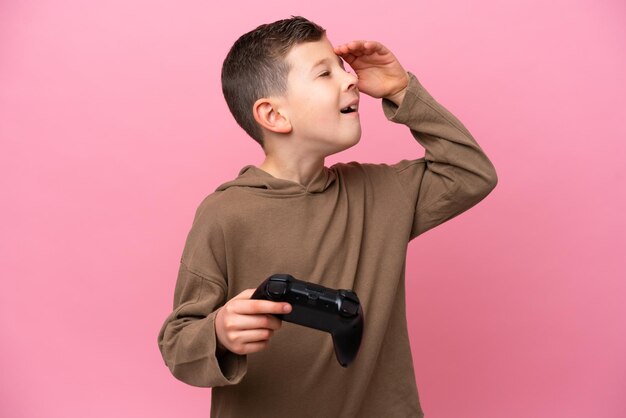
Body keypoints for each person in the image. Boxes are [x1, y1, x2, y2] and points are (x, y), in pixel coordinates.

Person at [157, 15, 497, 418]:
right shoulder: (225, 215)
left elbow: (471, 173)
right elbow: (177, 344)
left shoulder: (382, 192)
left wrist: (402, 90)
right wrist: (218, 332)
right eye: (324, 73)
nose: (350, 79)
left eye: (344, 67)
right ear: (275, 115)